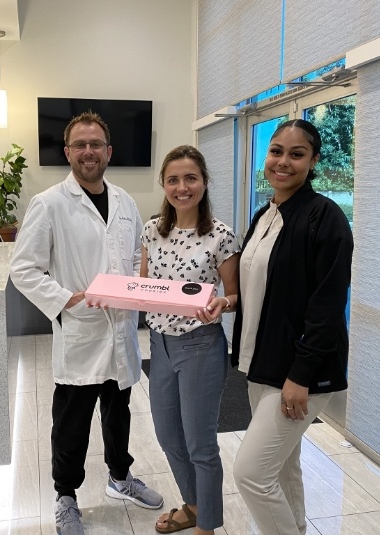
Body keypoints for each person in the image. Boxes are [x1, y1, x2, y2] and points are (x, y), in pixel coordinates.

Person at [9, 111, 163, 535]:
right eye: (80, 145)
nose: (89, 152)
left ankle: (120, 478)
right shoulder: (49, 204)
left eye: (96, 144)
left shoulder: (126, 202)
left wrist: (143, 286)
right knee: (72, 424)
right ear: (68, 152)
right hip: (80, 332)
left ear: (108, 152)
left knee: (119, 415)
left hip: (120, 332)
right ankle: (65, 497)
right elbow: (23, 269)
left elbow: (135, 258)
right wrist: (66, 301)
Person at [231, 119, 354, 535]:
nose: (283, 161)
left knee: (251, 472)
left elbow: (327, 304)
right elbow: (257, 287)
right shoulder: (265, 215)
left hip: (303, 370)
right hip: (262, 361)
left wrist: (301, 374)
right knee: (281, 466)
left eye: (296, 154)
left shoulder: (326, 217)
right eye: (276, 151)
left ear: (314, 161)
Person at [140, 146, 240, 534]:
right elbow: (145, 285)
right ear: (164, 184)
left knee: (200, 443)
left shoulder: (221, 236)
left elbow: (234, 296)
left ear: (204, 182)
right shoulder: (153, 230)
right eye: (173, 180)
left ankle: (207, 526)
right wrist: (112, 294)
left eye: (190, 178)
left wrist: (222, 303)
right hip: (159, 344)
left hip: (200, 345)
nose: (182, 187)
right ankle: (195, 505)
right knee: (167, 435)